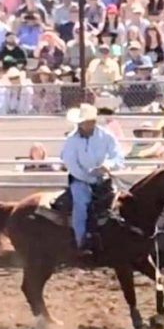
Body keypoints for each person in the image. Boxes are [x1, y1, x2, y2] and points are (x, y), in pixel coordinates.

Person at [60, 103, 126, 255]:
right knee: (81, 204)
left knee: (119, 203)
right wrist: (89, 177)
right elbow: (71, 164)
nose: (87, 125)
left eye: (89, 122)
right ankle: (81, 241)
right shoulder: (72, 140)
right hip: (80, 179)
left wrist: (108, 165)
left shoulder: (106, 136)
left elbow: (118, 157)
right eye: (84, 122)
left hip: (103, 177)